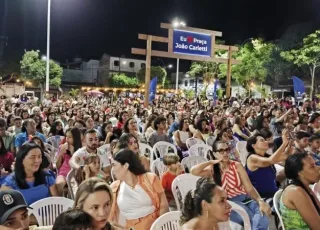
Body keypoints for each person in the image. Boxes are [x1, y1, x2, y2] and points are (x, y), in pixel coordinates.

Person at [191, 141, 271, 229]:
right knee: (250, 218)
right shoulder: (212, 170)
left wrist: (260, 201)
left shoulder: (236, 165)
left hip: (246, 199)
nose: (225, 153)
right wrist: (210, 162)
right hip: (230, 203)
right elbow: (194, 171)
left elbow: (249, 187)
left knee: (263, 215)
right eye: (221, 151)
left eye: (227, 150)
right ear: (214, 153)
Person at [109, 149, 169, 229]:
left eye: (114, 165)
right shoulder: (114, 187)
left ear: (126, 166)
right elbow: (111, 220)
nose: (112, 170)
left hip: (155, 225)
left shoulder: (150, 179)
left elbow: (164, 206)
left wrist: (158, 227)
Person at [245, 130, 292, 202]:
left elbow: (285, 155)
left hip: (274, 193)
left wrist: (290, 143)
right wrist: (284, 143)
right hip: (264, 198)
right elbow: (271, 160)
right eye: (262, 140)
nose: (266, 142)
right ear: (254, 146)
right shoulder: (252, 158)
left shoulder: (265, 157)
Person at [280, 152, 320, 229]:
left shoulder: (305, 188)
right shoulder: (296, 192)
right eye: (312, 166)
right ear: (300, 173)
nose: (318, 168)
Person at [55, 128, 82, 196]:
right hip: (63, 173)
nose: (67, 139)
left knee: (74, 189)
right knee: (58, 184)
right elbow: (57, 166)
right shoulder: (62, 147)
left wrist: (73, 153)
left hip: (75, 175)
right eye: (66, 136)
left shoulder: (81, 150)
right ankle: (60, 202)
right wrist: (61, 153)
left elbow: (79, 165)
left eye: (70, 137)